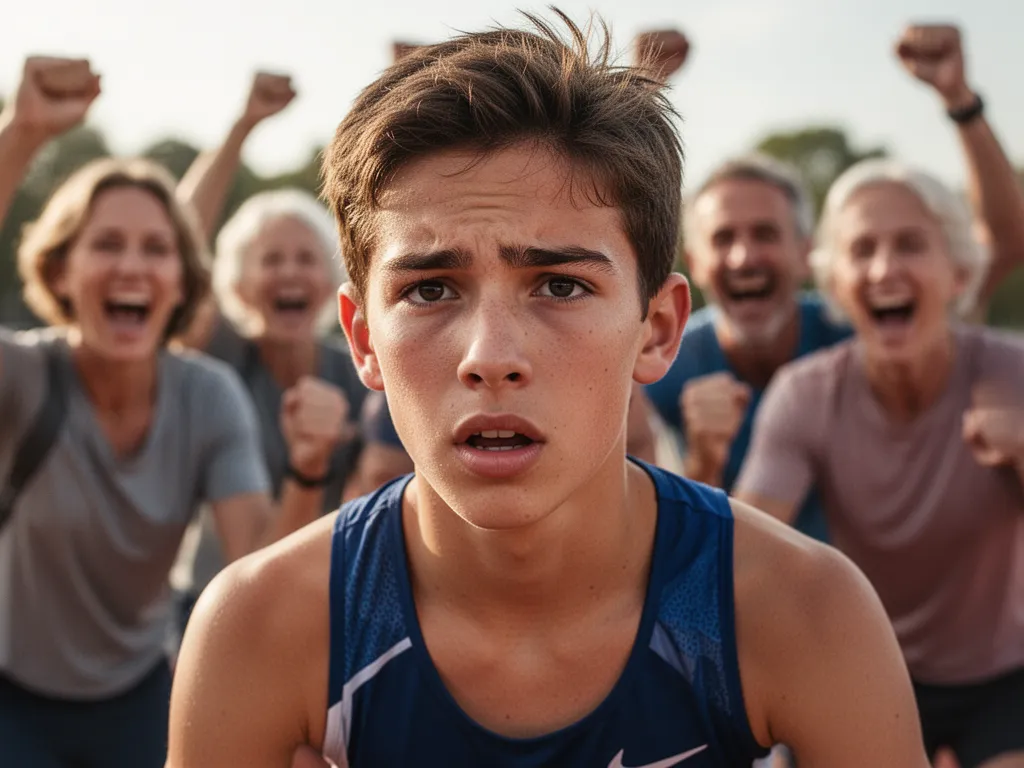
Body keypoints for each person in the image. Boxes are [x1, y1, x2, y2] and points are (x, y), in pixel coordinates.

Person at [168, 14, 929, 767]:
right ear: (364, 338)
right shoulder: (262, 626)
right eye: (431, 290)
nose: (491, 357)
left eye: (560, 285)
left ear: (658, 329)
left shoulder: (804, 611)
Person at [0, 56, 345, 768]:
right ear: (60, 270)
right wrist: (21, 133)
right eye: (107, 244)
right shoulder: (26, 374)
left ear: (182, 283)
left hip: (141, 697)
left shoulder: (205, 394)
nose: (133, 266)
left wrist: (309, 467)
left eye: (156, 248)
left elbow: (252, 564)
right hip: (13, 699)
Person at [642, 23, 1024, 544]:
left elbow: (999, 247)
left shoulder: (862, 327)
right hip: (762, 597)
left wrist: (961, 101)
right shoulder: (663, 360)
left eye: (766, 234)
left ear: (807, 255)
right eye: (724, 237)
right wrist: (701, 465)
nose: (745, 255)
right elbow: (650, 544)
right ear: (695, 262)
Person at [734, 150, 1024, 768]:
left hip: (1004, 677)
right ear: (836, 281)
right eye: (862, 250)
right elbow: (741, 551)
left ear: (959, 272)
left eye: (911, 245)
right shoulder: (806, 392)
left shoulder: (1013, 373)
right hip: (867, 669)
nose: (884, 268)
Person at [170, 76, 380, 623]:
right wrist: (242, 127)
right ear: (236, 284)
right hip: (216, 608)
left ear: (332, 278)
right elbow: (179, 244)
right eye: (272, 259)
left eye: (306, 258)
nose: (291, 271)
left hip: (325, 607)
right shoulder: (217, 355)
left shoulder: (360, 366)